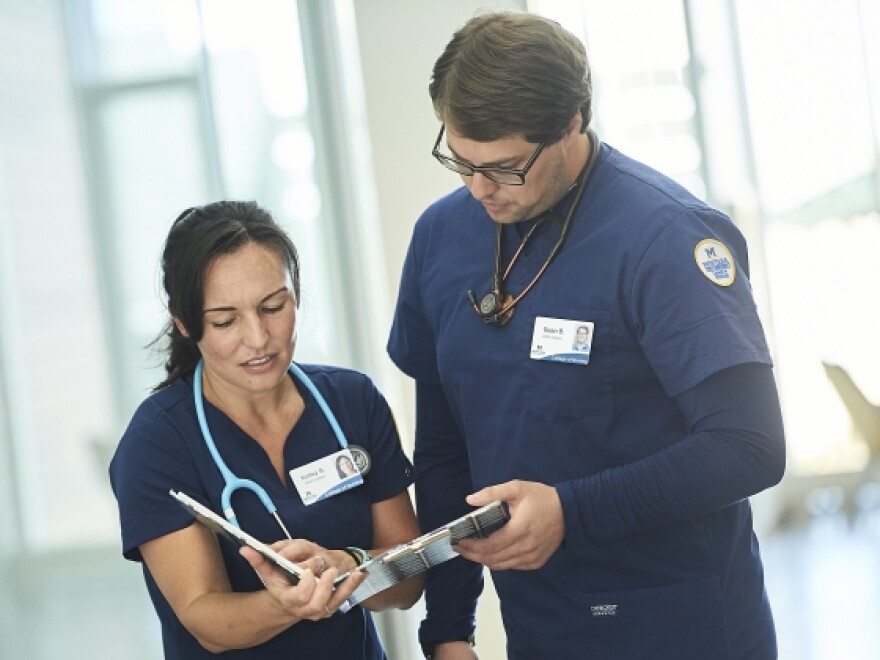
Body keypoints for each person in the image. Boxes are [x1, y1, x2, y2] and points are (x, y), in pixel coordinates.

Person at [387, 11, 785, 660]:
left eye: (507, 167)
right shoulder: (440, 238)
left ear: (573, 122)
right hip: (542, 628)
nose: (479, 187)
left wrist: (572, 512)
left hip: (683, 625)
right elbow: (443, 448)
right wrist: (449, 627)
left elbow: (750, 445)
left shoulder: (664, 237)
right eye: (460, 160)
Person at [110, 200, 422, 659]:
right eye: (225, 321)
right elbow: (205, 618)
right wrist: (287, 604)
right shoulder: (157, 443)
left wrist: (351, 564)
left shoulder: (352, 402)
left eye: (273, 306)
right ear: (184, 323)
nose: (258, 338)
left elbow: (409, 577)